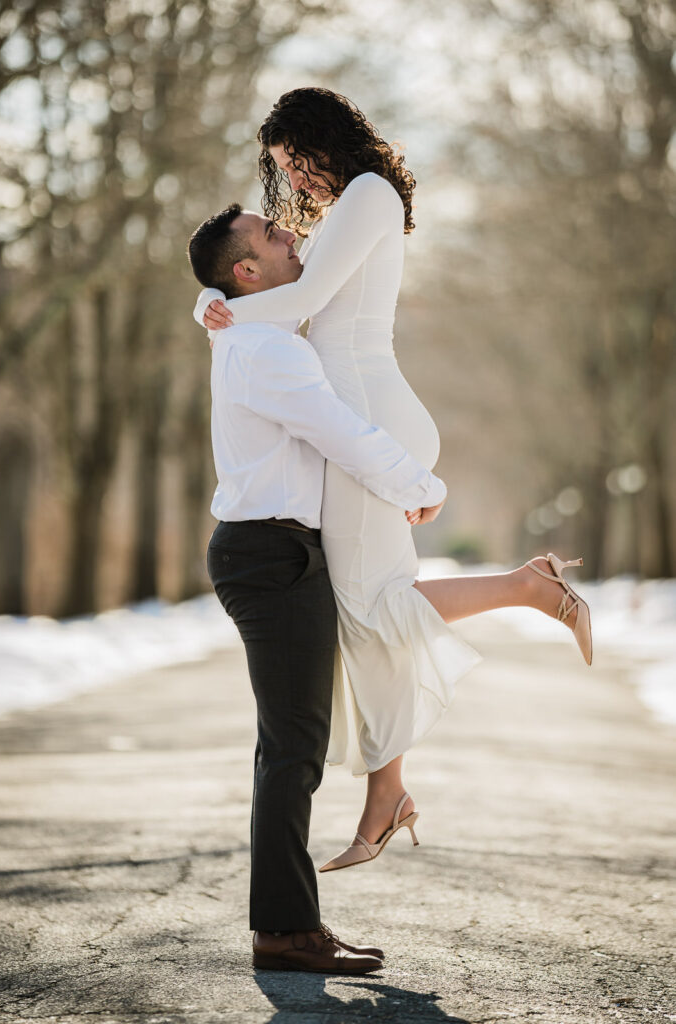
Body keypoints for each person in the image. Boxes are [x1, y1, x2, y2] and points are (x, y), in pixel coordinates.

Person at [194, 88, 592, 874]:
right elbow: (267, 289)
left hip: (371, 411)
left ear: (320, 141)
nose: (296, 184)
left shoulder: (368, 196)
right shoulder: (348, 206)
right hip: (360, 414)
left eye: (294, 165)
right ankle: (393, 787)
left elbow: (297, 300)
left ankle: (528, 592)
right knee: (362, 605)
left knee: (368, 603)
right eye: (283, 175)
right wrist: (211, 297)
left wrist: (213, 306)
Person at [187, 205, 450, 972]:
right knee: (292, 748)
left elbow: (223, 294)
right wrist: (418, 481)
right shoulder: (266, 351)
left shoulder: (247, 328)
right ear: (247, 272)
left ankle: (289, 923)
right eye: (274, 234)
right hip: (271, 556)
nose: (291, 234)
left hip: (281, 550)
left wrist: (209, 301)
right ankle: (285, 931)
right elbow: (338, 429)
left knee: (293, 744)